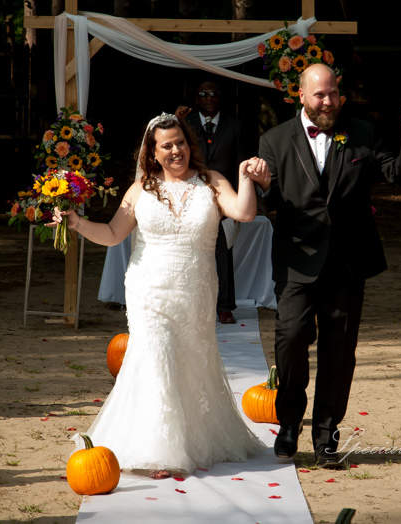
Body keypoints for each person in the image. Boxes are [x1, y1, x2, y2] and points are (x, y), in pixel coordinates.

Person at [54, 113, 266, 477]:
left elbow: (244, 213)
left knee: (191, 363)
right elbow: (113, 234)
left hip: (196, 291)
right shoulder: (139, 190)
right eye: (166, 145)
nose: (176, 150)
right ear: (152, 153)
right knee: (157, 359)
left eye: (180, 142)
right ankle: (160, 452)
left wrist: (245, 177)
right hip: (148, 289)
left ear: (189, 144)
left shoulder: (212, 181)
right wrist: (76, 223)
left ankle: (194, 440)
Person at [256, 63, 401, 468]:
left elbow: (398, 175)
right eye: (319, 94)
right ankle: (288, 422)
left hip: (347, 263)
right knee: (290, 340)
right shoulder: (274, 140)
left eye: (333, 93)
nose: (328, 101)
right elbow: (270, 200)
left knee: (339, 352)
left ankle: (326, 435)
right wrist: (263, 185)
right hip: (297, 262)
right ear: (301, 95)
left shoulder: (362, 132)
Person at [175, 81, 250, 324]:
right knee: (190, 252)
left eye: (213, 93)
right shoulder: (185, 124)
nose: (209, 97)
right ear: (196, 98)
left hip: (223, 200)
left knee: (223, 253)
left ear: (220, 98)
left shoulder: (236, 126)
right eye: (203, 94)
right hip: (191, 196)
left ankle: (225, 307)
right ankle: (193, 305)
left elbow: (241, 166)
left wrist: (237, 201)